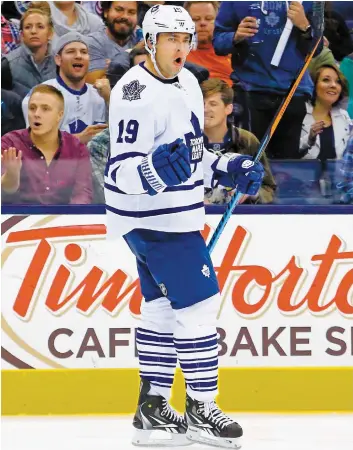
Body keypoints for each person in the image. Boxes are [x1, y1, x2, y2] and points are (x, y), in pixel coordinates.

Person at [105, 5, 264, 448]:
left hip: (176, 213)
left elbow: (192, 156)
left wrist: (227, 165)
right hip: (151, 219)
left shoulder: (191, 82)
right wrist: (156, 172)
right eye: (170, 38)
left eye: (185, 38)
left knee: (159, 307)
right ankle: (201, 407)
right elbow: (119, 171)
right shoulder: (134, 93)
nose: (179, 46)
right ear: (150, 42)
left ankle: (152, 407)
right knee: (198, 306)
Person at [213, 1, 323, 159]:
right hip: (250, 90)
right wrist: (235, 36)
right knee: (249, 162)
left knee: (288, 170)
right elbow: (218, 43)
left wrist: (305, 27)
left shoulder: (311, 2)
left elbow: (317, 49)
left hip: (293, 92)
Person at [1, 84, 93, 205]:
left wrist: (70, 220)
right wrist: (11, 175)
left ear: (59, 115)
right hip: (19, 220)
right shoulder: (9, 143)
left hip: (64, 220)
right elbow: (4, 191)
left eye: (45, 109)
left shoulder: (77, 148)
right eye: (32, 108)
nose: (36, 114)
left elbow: (83, 193)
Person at [22, 32, 109, 144]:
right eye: (71, 51)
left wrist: (110, 100)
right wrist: (77, 140)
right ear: (58, 59)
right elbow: (34, 142)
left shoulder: (101, 94)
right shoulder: (40, 94)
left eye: (84, 52)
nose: (78, 56)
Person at [201, 78, 276, 205]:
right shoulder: (187, 138)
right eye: (202, 104)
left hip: (237, 217)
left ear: (228, 108)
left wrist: (252, 192)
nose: (205, 109)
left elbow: (268, 189)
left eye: (213, 104)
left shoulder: (247, 140)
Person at [299, 65, 351, 160]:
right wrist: (309, 139)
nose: (333, 85)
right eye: (326, 80)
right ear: (314, 85)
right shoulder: (299, 112)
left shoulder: (344, 116)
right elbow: (288, 152)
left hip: (335, 174)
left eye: (338, 82)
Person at [4, 7, 57, 99]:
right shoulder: (6, 65)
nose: (33, 31)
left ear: (50, 34)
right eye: (28, 27)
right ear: (22, 35)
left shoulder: (59, 63)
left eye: (40, 26)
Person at [86, 1, 141, 84]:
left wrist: (112, 67)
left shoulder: (141, 38)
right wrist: (135, 51)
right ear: (106, 12)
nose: (125, 16)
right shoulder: (92, 43)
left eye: (131, 12)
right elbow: (97, 85)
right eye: (119, 10)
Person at [184, 1, 232, 86]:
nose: (202, 23)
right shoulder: (178, 53)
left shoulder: (232, 50)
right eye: (195, 19)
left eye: (209, 18)